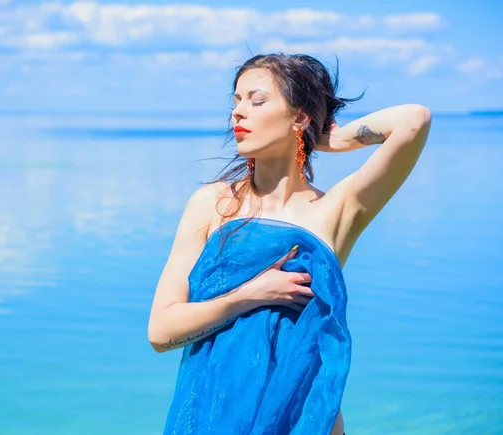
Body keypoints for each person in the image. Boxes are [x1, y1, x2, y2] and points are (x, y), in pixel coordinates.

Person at [147, 53, 432, 435]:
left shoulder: (335, 210)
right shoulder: (212, 205)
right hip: (207, 416)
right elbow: (161, 332)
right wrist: (249, 296)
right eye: (236, 101)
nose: (238, 112)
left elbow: (414, 120)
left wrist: (334, 138)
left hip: (305, 422)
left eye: (256, 100)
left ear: (299, 116)